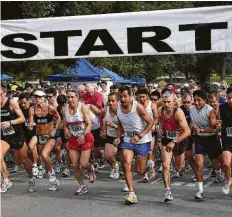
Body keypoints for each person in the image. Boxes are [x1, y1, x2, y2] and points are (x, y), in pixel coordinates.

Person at [114, 85, 153, 205]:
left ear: (130, 96)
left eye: (125, 96)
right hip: (127, 139)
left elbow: (150, 123)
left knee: (140, 171)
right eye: (120, 97)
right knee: (126, 164)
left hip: (142, 140)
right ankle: (132, 194)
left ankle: (149, 167)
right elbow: (120, 124)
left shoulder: (138, 107)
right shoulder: (118, 108)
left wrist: (139, 136)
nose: (123, 99)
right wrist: (118, 137)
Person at [0, 84, 36, 193]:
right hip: (5, 136)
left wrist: (10, 122)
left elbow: (21, 118)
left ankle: (31, 178)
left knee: (24, 160)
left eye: (0, 94)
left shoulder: (11, 102)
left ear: (4, 93)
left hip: (16, 135)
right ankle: (6, 180)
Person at [158, 89, 190, 202]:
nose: (166, 104)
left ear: (174, 102)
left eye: (169, 102)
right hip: (167, 139)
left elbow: (187, 132)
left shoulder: (178, 112)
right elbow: (160, 122)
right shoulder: (160, 110)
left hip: (180, 140)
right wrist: (160, 129)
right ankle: (167, 191)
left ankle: (181, 163)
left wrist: (174, 141)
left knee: (178, 167)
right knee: (165, 165)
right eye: (164, 101)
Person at [190, 90, 223, 200]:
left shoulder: (210, 110)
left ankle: (218, 172)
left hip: (211, 138)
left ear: (204, 100)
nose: (196, 102)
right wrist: (190, 128)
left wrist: (201, 129)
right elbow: (192, 123)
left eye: (199, 100)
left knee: (215, 164)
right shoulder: (191, 109)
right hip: (200, 139)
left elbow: (214, 128)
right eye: (195, 100)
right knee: (199, 164)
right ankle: (200, 190)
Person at [63, 89, 96, 195]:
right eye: (68, 97)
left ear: (77, 98)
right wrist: (66, 130)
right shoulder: (65, 109)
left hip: (85, 137)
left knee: (84, 163)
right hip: (73, 139)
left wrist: (83, 134)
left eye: (72, 97)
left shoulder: (83, 107)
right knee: (74, 164)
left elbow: (89, 124)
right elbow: (65, 124)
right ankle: (82, 186)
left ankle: (90, 168)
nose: (70, 99)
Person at [28, 90, 61, 191]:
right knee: (41, 156)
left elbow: (59, 117)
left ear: (43, 98)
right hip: (40, 136)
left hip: (50, 135)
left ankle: (52, 176)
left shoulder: (50, 108)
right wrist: (30, 126)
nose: (37, 99)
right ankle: (50, 176)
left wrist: (55, 129)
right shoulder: (32, 109)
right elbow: (31, 123)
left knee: (44, 155)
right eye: (35, 97)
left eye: (39, 97)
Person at [136, 88, 158, 182]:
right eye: (140, 97)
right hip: (139, 131)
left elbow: (156, 118)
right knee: (142, 154)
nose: (142, 99)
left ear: (147, 96)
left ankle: (150, 166)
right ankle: (145, 172)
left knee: (149, 151)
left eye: (143, 97)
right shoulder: (135, 105)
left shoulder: (152, 105)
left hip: (150, 131)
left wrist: (153, 125)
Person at [18, 92, 39, 177]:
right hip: (24, 133)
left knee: (31, 146)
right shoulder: (18, 109)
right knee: (28, 152)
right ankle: (38, 164)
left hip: (35, 132)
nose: (23, 104)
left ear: (29, 101)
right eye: (21, 103)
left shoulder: (33, 108)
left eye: (25, 103)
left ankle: (35, 165)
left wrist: (33, 123)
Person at [100, 92, 120, 179]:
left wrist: (113, 125)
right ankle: (115, 165)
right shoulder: (105, 110)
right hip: (110, 136)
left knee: (123, 158)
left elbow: (125, 127)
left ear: (118, 101)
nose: (111, 103)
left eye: (113, 101)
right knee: (108, 156)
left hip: (122, 136)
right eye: (109, 101)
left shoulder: (122, 111)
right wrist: (103, 129)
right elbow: (102, 118)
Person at [217, 87, 232, 195]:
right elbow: (217, 120)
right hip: (227, 139)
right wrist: (218, 124)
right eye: (228, 98)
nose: (230, 100)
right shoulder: (222, 107)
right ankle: (228, 180)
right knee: (226, 163)